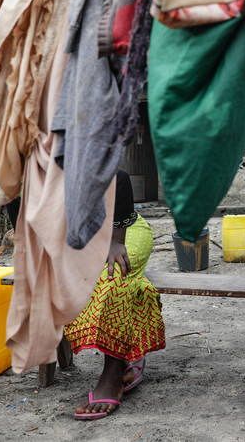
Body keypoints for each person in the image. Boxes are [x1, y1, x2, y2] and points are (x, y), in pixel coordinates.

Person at [66, 170, 166, 420]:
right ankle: (133, 350)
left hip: (123, 228)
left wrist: (114, 240)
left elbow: (117, 177)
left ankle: (113, 372)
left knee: (112, 278)